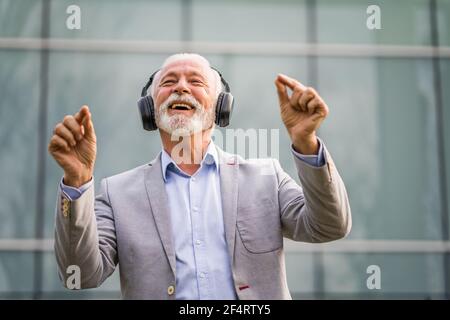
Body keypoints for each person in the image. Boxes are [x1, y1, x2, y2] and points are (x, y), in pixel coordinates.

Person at [48, 53, 351, 300]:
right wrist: (77, 180)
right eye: (169, 82)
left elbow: (329, 226)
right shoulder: (116, 194)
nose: (181, 87)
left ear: (220, 108)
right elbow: (80, 275)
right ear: (149, 110)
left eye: (195, 82)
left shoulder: (266, 177)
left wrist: (307, 143)